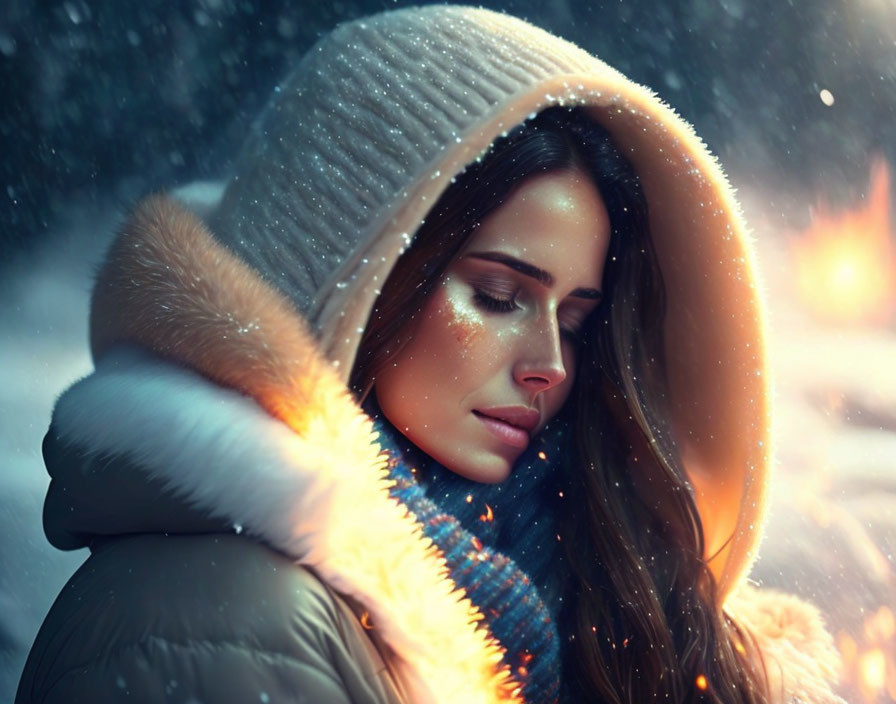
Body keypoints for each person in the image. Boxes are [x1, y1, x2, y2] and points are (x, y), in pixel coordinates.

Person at [17, 5, 843, 704]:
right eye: (496, 295)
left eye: (578, 319)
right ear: (360, 282)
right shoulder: (219, 618)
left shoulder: (574, 581)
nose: (550, 364)